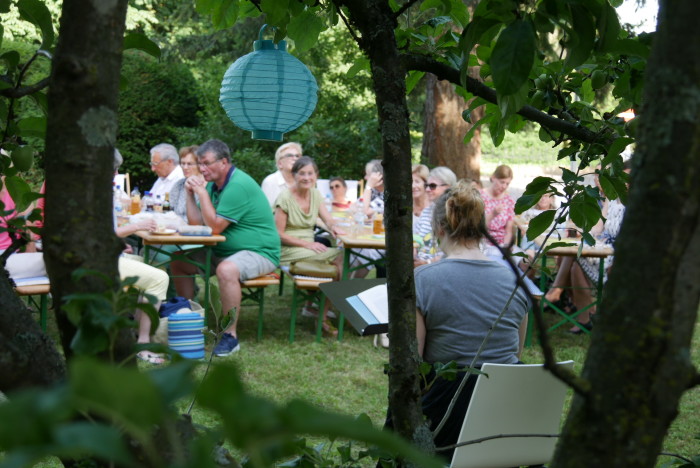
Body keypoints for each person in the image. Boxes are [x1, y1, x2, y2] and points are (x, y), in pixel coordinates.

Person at [412, 180, 529, 462]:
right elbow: (515, 354)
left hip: (445, 416)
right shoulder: (515, 280)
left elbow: (413, 365)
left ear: (439, 228)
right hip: (507, 415)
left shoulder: (424, 279)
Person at [171, 139, 280, 356]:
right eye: (199, 164)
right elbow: (197, 224)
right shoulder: (212, 185)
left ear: (224, 162)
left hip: (261, 252)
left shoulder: (237, 185)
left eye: (206, 163)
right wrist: (190, 194)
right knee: (179, 262)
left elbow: (215, 227)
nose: (202, 169)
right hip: (222, 251)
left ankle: (230, 336)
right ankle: (189, 319)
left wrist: (201, 193)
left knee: (226, 270)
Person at [275, 156, 344, 335]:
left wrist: (334, 227)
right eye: (302, 174)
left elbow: (327, 218)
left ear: (316, 175)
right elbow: (279, 234)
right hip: (288, 249)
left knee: (340, 264)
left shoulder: (315, 194)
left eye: (310, 173)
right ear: (294, 175)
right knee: (341, 260)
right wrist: (308, 244)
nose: (306, 178)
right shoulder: (285, 197)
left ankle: (319, 308)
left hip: (308, 246)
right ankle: (323, 315)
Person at [413, 166, 457, 266]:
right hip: (419, 266)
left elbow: (454, 253)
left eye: (432, 186)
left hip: (440, 268)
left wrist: (427, 263)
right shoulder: (427, 211)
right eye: (426, 185)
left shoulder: (455, 214)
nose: (427, 189)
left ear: (448, 187)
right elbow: (416, 238)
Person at [479, 164, 516, 257]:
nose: (504, 186)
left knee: (526, 263)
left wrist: (506, 246)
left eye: (507, 184)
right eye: (502, 182)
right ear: (493, 178)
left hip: (502, 244)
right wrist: (492, 214)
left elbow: (508, 231)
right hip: (483, 243)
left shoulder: (509, 201)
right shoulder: (479, 196)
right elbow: (478, 227)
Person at [261, 142, 302, 208]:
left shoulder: (304, 181)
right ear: (280, 163)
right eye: (289, 155)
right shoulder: (270, 182)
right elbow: (267, 212)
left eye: (297, 156)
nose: (295, 158)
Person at [169, 145, 201, 219]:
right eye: (183, 163)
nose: (185, 167)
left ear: (199, 165)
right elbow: (169, 208)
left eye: (189, 164)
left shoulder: (208, 186)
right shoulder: (179, 185)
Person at [411, 164, 430, 229]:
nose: (413, 186)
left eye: (417, 182)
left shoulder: (433, 208)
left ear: (426, 183)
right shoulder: (406, 206)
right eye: (410, 181)